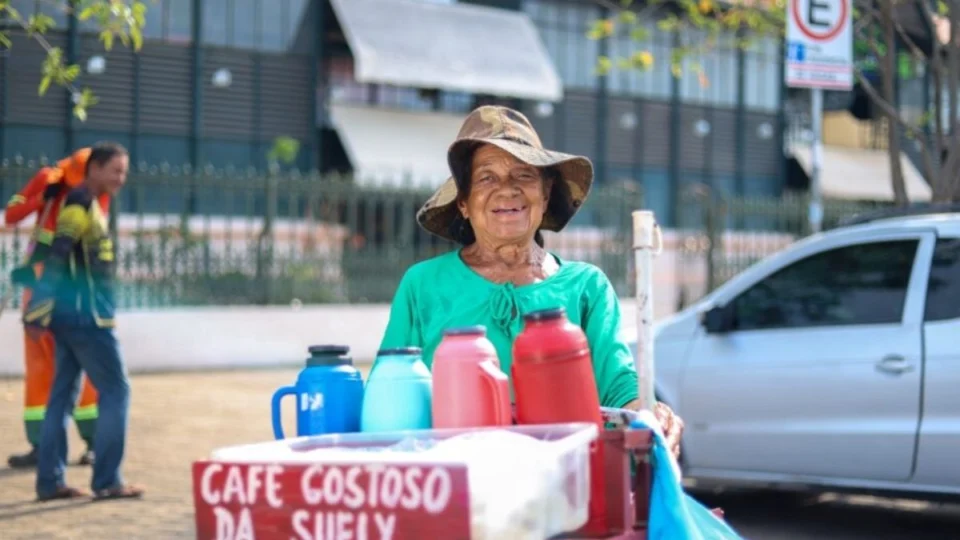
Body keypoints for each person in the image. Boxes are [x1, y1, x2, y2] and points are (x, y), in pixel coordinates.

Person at [379, 105, 684, 458]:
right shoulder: (423, 285)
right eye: (486, 178)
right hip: (452, 478)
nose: (506, 190)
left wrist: (651, 412)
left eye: (523, 175)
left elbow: (617, 385)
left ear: (545, 192)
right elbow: (391, 391)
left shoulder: (587, 286)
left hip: (562, 475)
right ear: (463, 202)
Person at [22, 141, 144, 501]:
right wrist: (36, 309)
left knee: (61, 397)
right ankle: (107, 480)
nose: (122, 178)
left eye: (124, 171)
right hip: (87, 317)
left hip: (70, 316)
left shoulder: (89, 204)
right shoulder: (80, 203)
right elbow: (58, 252)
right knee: (117, 390)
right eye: (116, 170)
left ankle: (50, 482)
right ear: (94, 169)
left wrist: (41, 312)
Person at [5, 148, 105, 469]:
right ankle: (40, 445)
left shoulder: (97, 191)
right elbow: (11, 214)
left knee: (87, 366)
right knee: (39, 368)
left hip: (73, 285)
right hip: (37, 283)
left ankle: (94, 442)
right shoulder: (48, 180)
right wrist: (41, 197)